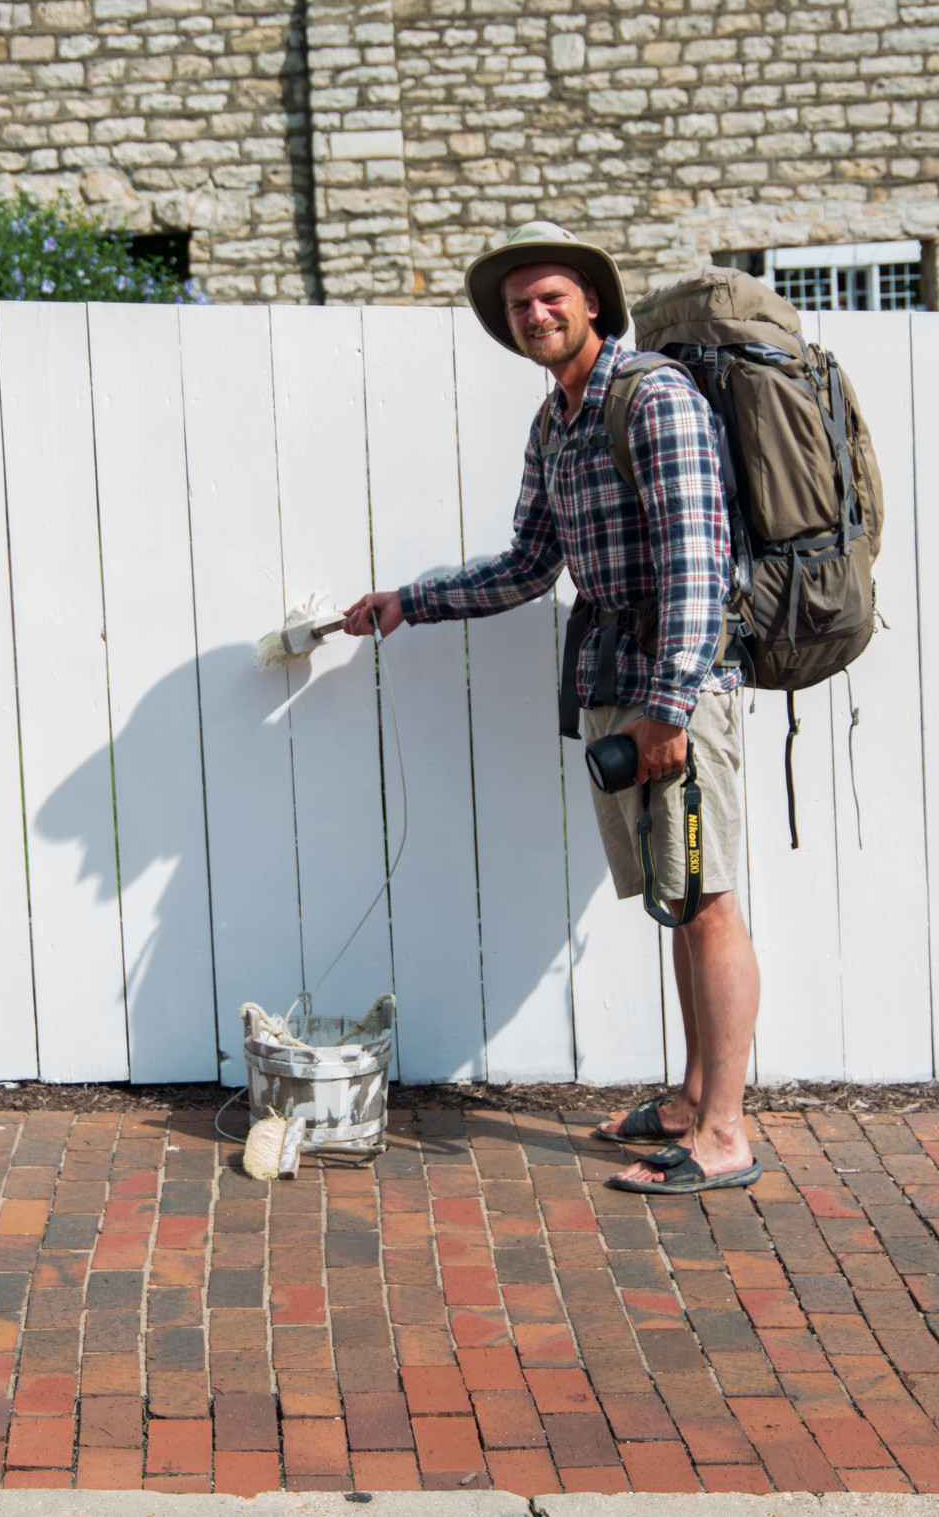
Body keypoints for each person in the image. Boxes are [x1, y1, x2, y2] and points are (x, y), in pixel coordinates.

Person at [340, 221, 762, 1195]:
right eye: (519, 304)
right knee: (677, 898)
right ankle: (693, 1099)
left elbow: (700, 566)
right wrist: (412, 601)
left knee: (708, 899)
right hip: (615, 680)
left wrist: (666, 709)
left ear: (593, 304)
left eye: (550, 297)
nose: (534, 313)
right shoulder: (557, 422)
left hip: (674, 690)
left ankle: (727, 1132)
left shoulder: (653, 399)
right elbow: (532, 565)